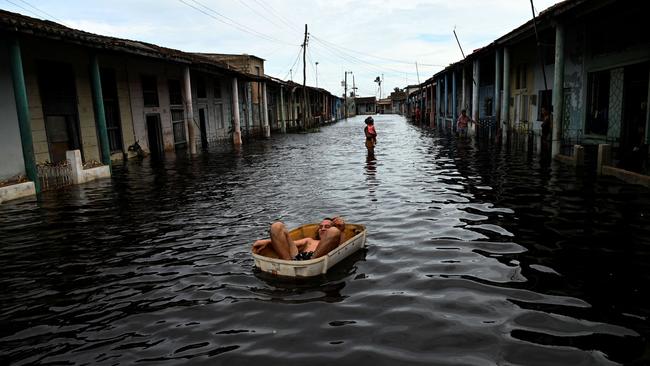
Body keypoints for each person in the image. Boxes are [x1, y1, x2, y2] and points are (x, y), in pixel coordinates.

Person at [252, 217, 346, 260]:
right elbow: (287, 244)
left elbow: (342, 246)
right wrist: (267, 242)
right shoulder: (309, 240)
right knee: (277, 226)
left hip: (314, 260)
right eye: (320, 227)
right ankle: (287, 263)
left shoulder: (335, 239)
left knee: (334, 231)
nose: (322, 229)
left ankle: (311, 262)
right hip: (295, 259)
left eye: (327, 227)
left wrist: (341, 228)